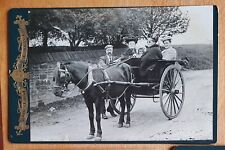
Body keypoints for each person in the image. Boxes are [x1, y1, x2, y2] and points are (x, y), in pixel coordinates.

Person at [98, 45, 117, 119]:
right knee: (102, 95)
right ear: (105, 51)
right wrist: (112, 65)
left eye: (110, 49)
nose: (109, 51)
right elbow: (103, 66)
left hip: (114, 77)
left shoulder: (115, 58)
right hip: (104, 78)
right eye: (108, 50)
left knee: (116, 93)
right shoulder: (102, 58)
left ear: (112, 50)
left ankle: (111, 109)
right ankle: (103, 112)